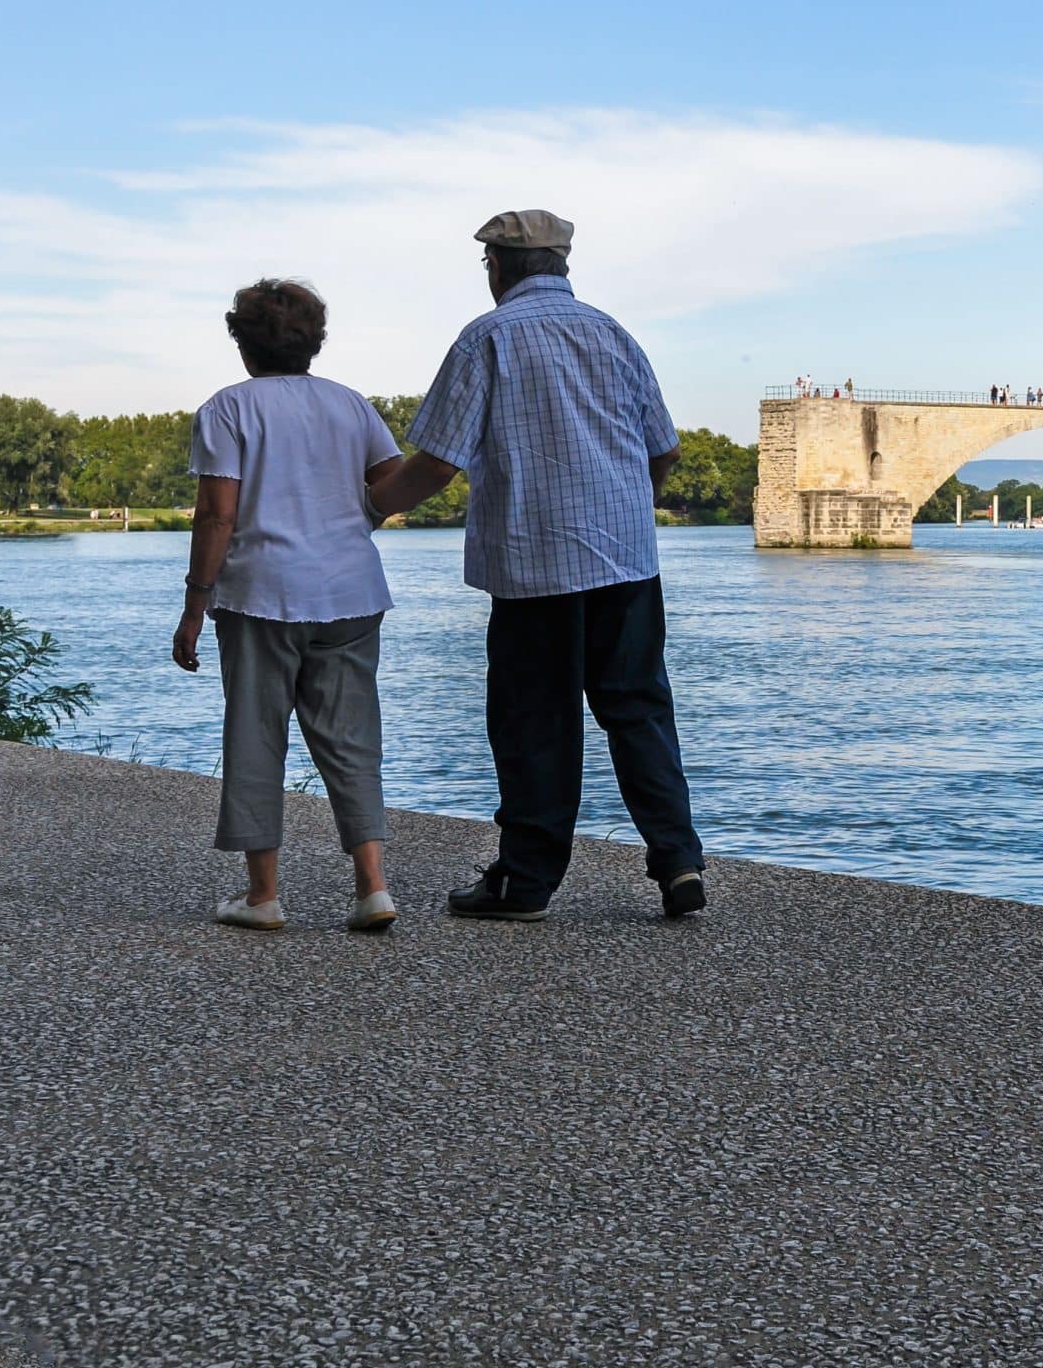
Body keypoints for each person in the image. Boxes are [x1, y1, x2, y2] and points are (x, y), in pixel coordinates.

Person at [367, 209, 707, 923]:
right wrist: (625, 504)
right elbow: (665, 450)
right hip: (627, 563)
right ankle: (677, 863)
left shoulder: (487, 338)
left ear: (497, 265)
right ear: (563, 264)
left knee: (535, 723)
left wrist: (366, 511)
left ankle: (526, 883)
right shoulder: (614, 334)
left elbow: (435, 462)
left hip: (535, 566)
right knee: (639, 709)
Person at [172, 278, 402, 934]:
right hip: (351, 594)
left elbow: (218, 514)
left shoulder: (227, 409)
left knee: (256, 737)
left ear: (242, 342)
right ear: (314, 342)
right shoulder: (352, 406)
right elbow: (391, 482)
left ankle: (264, 896)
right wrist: (354, 521)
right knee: (352, 741)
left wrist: (195, 605)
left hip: (262, 596)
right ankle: (373, 888)